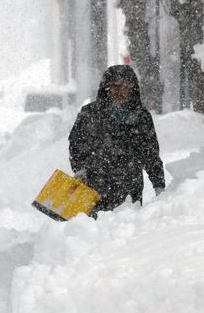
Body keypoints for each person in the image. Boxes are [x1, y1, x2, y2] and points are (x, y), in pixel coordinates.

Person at [68, 65, 165, 213]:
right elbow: (76, 145)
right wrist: (80, 169)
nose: (120, 91)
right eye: (115, 86)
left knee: (125, 231)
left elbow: (151, 154)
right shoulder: (89, 114)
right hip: (94, 189)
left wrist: (159, 186)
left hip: (129, 190)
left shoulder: (141, 117)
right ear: (106, 87)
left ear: (133, 89)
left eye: (126, 86)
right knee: (90, 232)